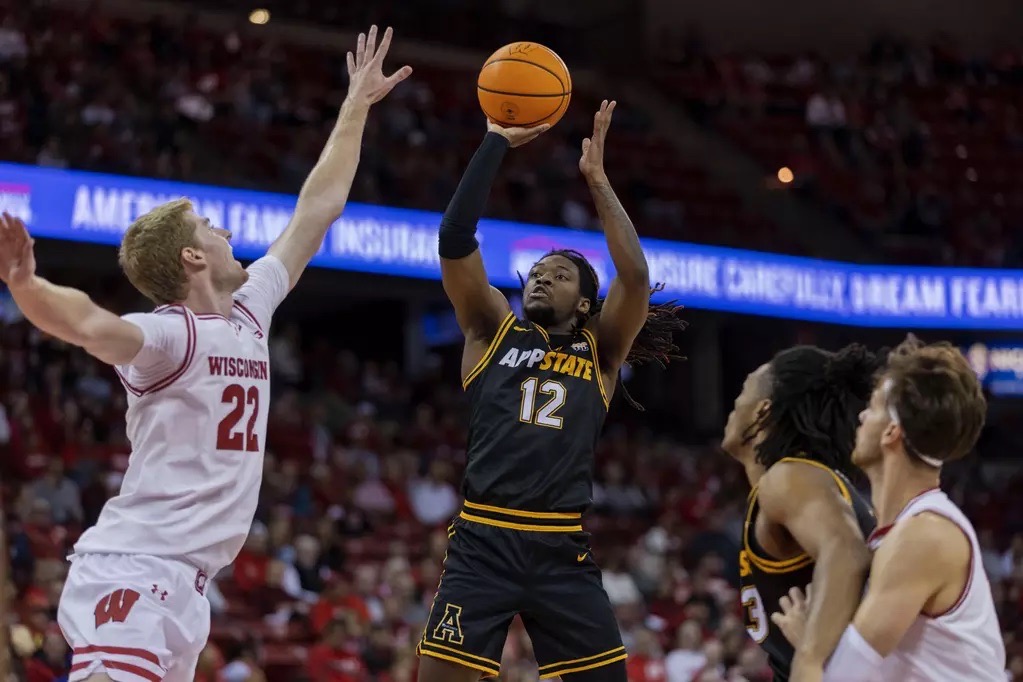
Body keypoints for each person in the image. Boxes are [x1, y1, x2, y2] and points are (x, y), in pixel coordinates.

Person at [0, 26, 410, 682]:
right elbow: (88, 324)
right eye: (210, 229)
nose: (225, 231)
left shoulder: (253, 308)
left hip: (190, 586)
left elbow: (317, 210)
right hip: (132, 569)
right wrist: (26, 285)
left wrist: (356, 105)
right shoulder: (169, 336)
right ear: (193, 256)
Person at [416, 100, 686, 682]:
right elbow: (455, 237)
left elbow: (635, 276)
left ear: (586, 304)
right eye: (537, 271)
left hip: (561, 545)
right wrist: (494, 141)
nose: (541, 276)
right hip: (483, 537)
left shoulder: (602, 352)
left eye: (560, 274)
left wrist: (598, 182)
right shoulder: (491, 330)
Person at [771, 338, 1005, 681]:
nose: (862, 415)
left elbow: (842, 678)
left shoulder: (925, 536)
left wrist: (809, 653)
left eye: (874, 405)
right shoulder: (900, 532)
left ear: (891, 432)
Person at [721, 344, 882, 682]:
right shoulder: (812, 481)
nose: (734, 403)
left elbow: (847, 553)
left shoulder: (789, 477)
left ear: (762, 413)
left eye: (743, 390)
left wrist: (809, 660)